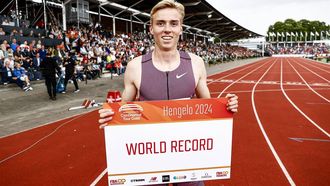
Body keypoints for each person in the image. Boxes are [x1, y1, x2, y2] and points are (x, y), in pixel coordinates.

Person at [99, 0, 238, 185]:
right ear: (151, 29)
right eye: (160, 23)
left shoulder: (196, 63)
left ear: (181, 28)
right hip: (149, 157)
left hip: (188, 155)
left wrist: (226, 106)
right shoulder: (135, 67)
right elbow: (121, 111)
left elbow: (209, 108)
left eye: (173, 23)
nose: (167, 29)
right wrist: (109, 115)